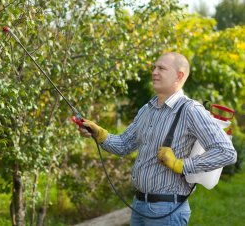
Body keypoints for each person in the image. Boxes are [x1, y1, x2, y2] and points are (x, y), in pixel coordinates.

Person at [77, 52, 237, 226]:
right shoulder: (147, 110)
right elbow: (123, 145)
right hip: (139, 206)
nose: (154, 72)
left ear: (179, 76)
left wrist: (181, 165)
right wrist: (99, 134)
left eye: (161, 68)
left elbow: (226, 152)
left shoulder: (191, 110)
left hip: (167, 211)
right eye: (154, 67)